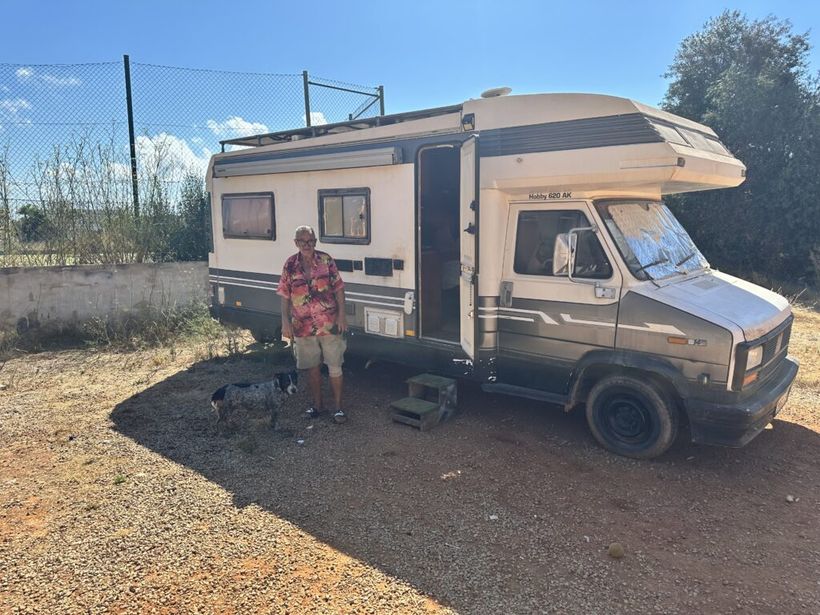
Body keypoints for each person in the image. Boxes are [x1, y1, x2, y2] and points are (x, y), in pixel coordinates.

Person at [277, 225, 348, 423]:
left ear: (315, 242)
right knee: (312, 367)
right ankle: (318, 406)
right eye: (303, 241)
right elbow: (284, 294)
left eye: (311, 241)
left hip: (329, 323)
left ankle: (339, 408)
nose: (307, 245)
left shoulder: (326, 260)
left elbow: (339, 288)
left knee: (335, 365)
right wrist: (285, 322)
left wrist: (342, 316)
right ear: (296, 243)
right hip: (302, 325)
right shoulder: (290, 265)